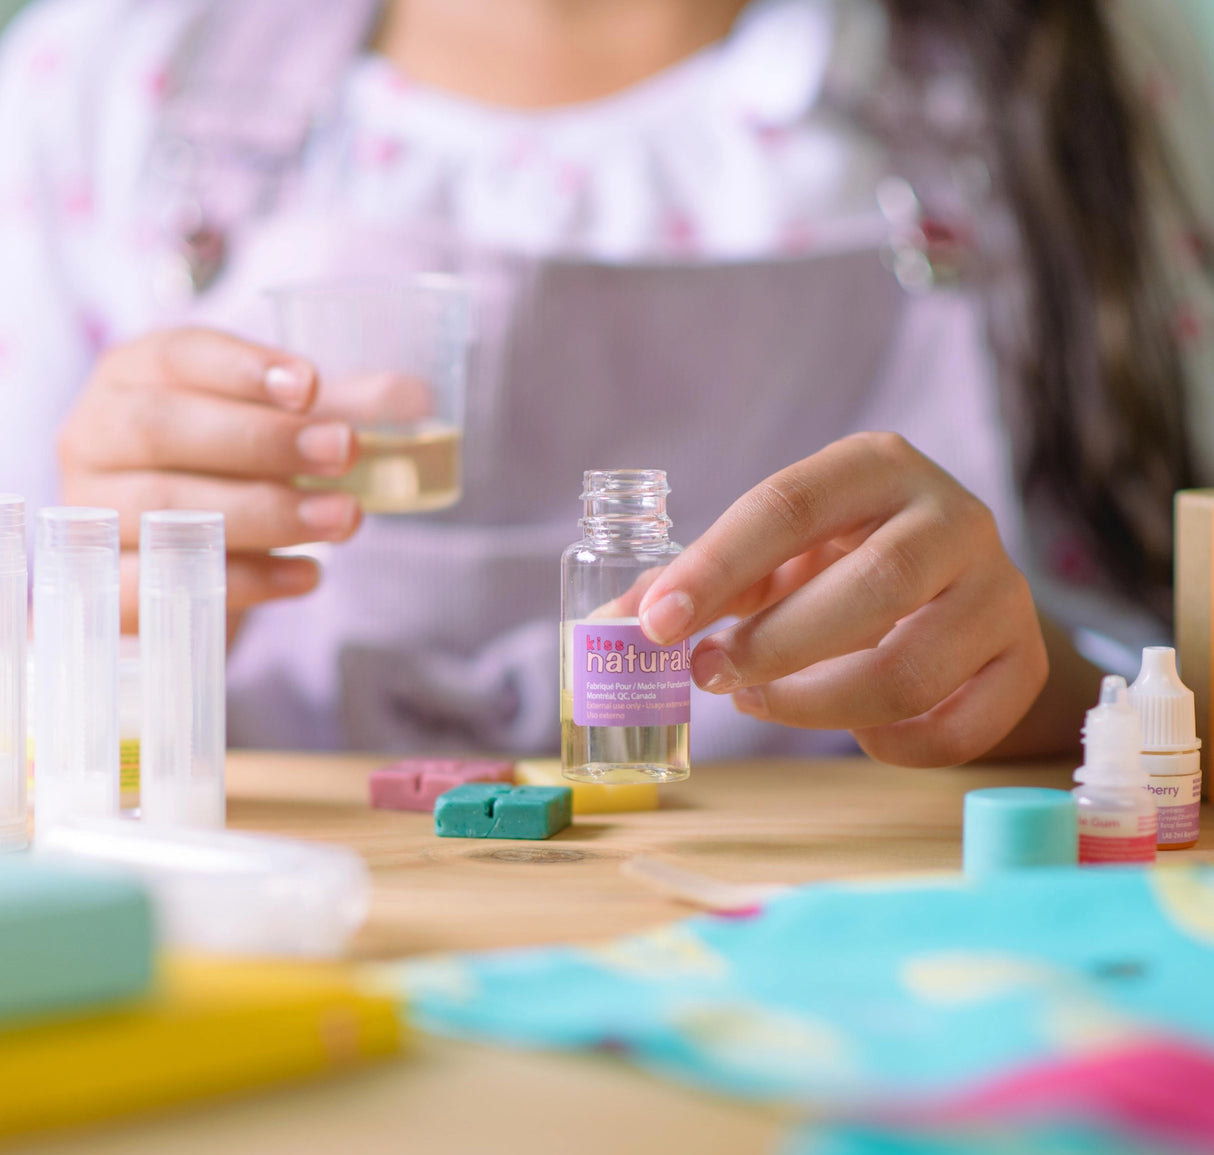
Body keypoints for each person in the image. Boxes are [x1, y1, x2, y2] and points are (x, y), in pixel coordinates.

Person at [0, 0, 1211, 764]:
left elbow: (1177, 662)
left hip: (817, 954)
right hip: (293, 928)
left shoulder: (1051, 85)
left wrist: (1032, 676)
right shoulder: (101, 78)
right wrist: (94, 605)